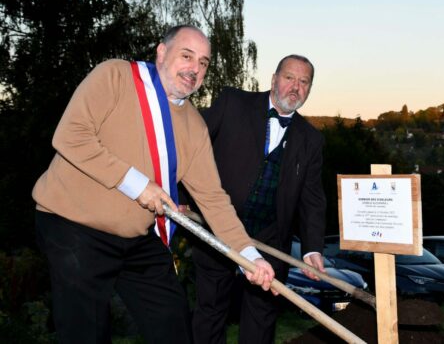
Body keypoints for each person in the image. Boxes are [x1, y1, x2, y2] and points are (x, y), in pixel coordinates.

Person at [32, 25, 275, 344]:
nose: (195, 68)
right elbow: (70, 136)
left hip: (135, 238)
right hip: (72, 226)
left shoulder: (195, 127)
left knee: (173, 323)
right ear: (161, 52)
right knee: (87, 331)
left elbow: (214, 200)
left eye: (203, 62)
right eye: (186, 56)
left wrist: (249, 256)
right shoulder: (115, 76)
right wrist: (138, 184)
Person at [189, 54, 327, 344]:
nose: (295, 87)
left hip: (271, 241)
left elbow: (312, 198)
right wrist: (182, 197)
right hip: (218, 231)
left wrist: (312, 248)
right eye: (289, 77)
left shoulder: (311, 140)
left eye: (304, 82)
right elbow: (191, 146)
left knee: (262, 320)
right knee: (211, 312)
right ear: (274, 79)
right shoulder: (232, 103)